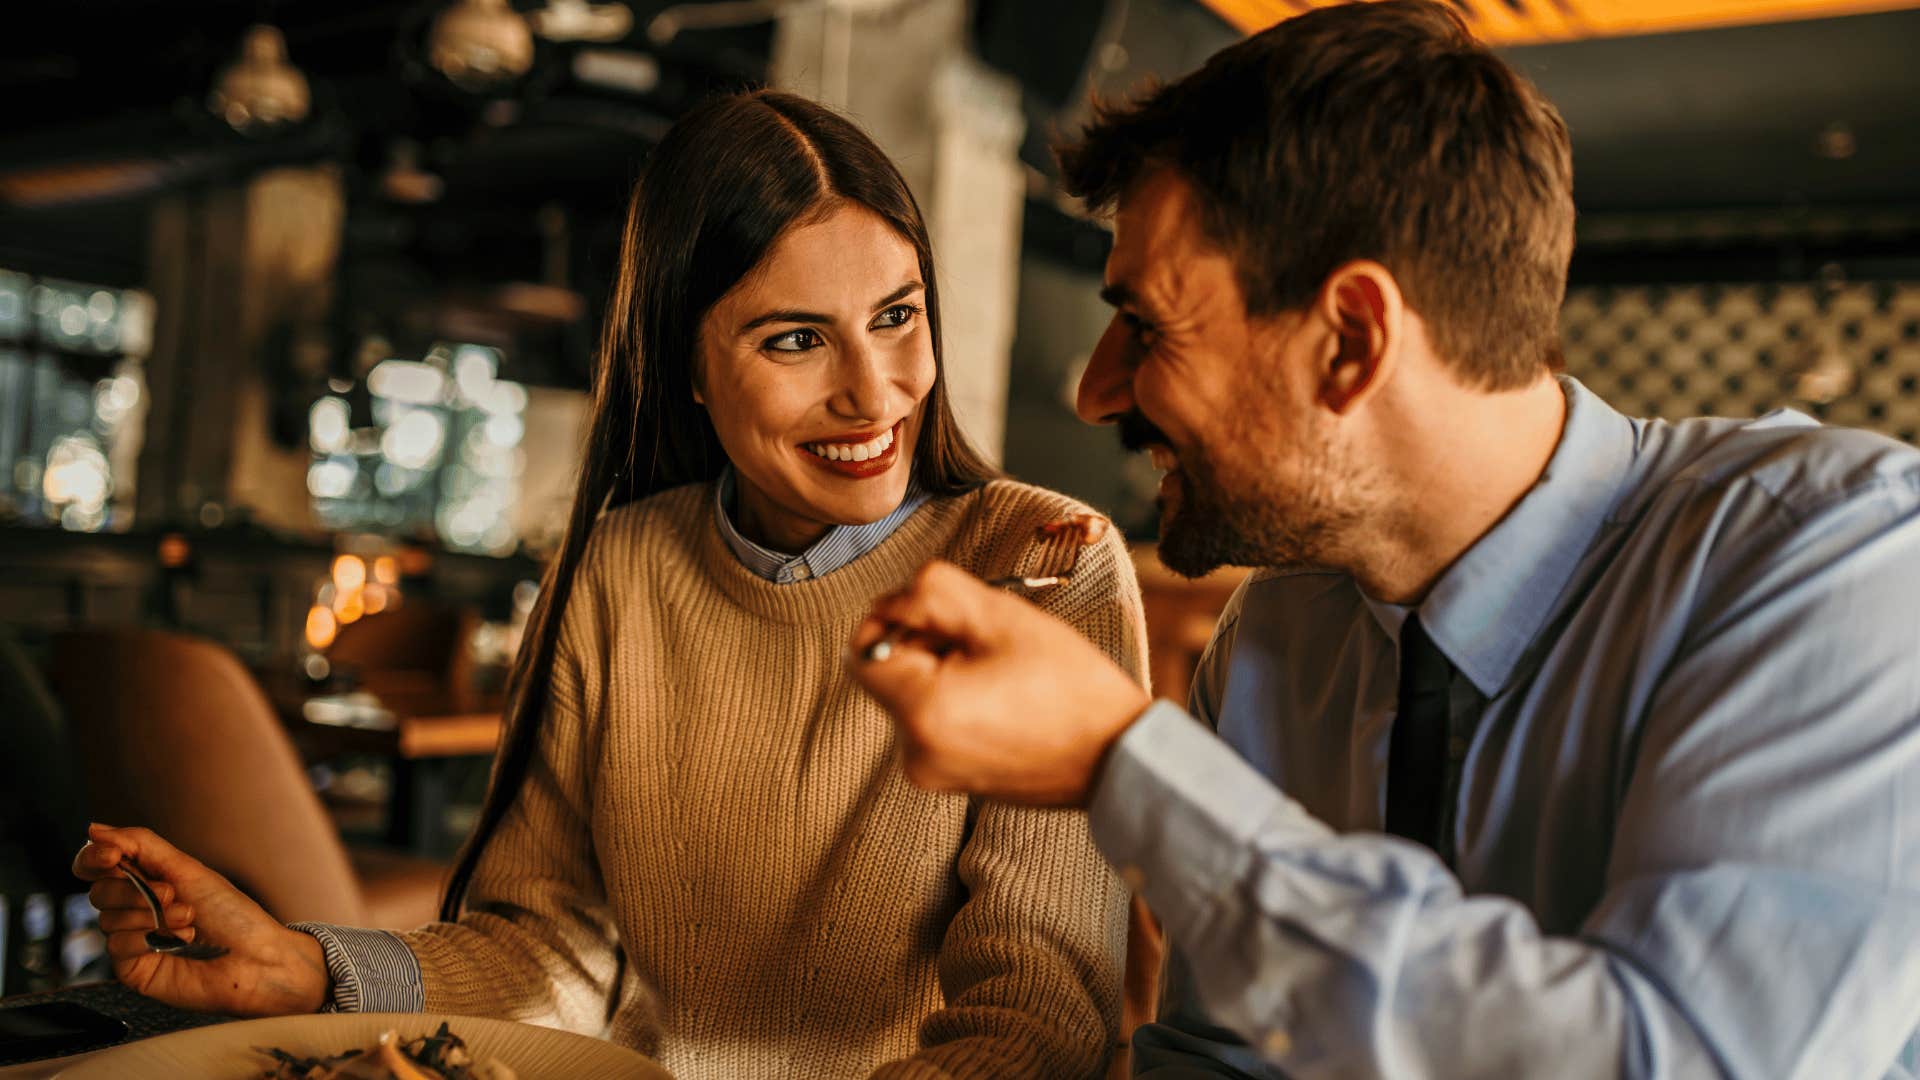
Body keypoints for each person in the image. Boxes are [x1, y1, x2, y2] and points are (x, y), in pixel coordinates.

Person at [850, 2, 1920, 1076]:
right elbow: (1225, 1062)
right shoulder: (1277, 634)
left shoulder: (1837, 558)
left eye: (1148, 327)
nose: (1094, 392)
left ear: (1352, 340)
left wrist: (1124, 767)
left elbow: (1675, 1058)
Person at [74, 90, 1144, 1079]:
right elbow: (554, 950)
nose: (874, 394)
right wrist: (305, 967)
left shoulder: (1045, 560)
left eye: (897, 317)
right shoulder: (619, 566)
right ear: (685, 364)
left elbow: (1039, 1013)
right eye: (795, 340)